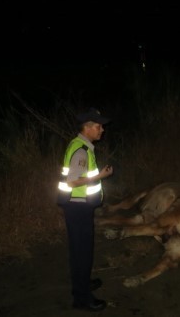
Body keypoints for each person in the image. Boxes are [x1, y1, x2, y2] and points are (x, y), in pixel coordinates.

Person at [57, 107, 114, 312]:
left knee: (80, 250)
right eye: (99, 126)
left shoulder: (81, 145)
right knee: (82, 253)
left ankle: (82, 284)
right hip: (77, 208)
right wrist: (100, 177)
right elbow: (73, 182)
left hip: (77, 207)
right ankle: (81, 298)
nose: (102, 130)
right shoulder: (80, 150)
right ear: (88, 127)